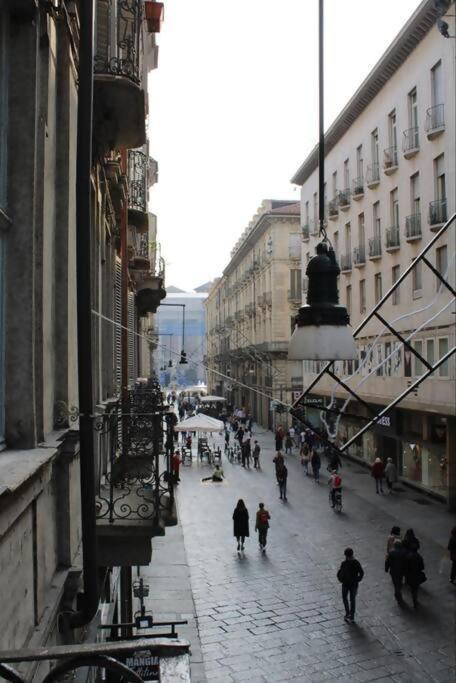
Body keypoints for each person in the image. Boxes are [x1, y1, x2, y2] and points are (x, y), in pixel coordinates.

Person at [337, 548, 364, 623]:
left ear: (345, 555)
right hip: (354, 584)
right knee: (352, 600)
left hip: (345, 584)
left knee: (345, 598)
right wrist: (358, 579)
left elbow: (340, 573)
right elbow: (361, 572)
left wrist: (340, 579)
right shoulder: (356, 562)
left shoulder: (344, 563)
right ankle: (352, 616)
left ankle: (347, 613)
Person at [385, 539, 407, 605]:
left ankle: (397, 593)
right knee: (399, 581)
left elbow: (387, 562)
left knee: (395, 583)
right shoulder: (404, 552)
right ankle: (398, 592)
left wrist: (386, 568)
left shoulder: (391, 553)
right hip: (401, 571)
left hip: (393, 571)